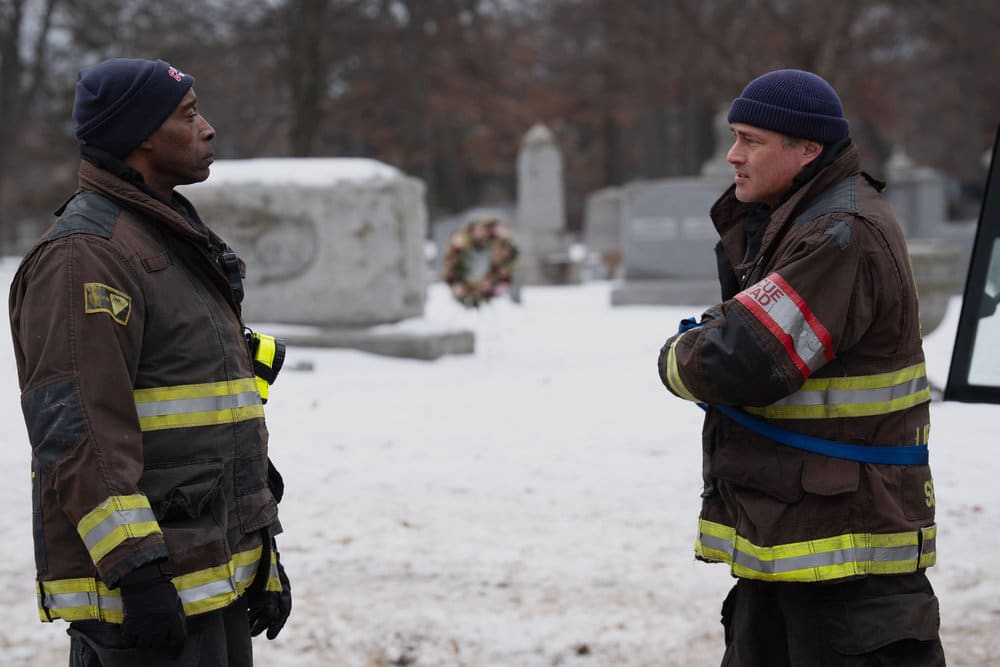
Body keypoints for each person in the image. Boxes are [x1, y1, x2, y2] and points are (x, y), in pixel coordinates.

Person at [656, 69, 945, 665]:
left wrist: (674, 356)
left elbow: (741, 355)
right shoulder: (801, 218)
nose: (733, 156)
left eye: (752, 141)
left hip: (846, 565)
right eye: (735, 137)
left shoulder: (840, 234)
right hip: (805, 540)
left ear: (809, 149)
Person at [8, 58, 291, 666]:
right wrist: (138, 574)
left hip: (211, 586)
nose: (208, 129)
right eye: (188, 115)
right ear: (139, 135)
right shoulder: (87, 256)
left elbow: (209, 427)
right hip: (146, 605)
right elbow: (79, 435)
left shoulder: (167, 241)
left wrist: (263, 553)